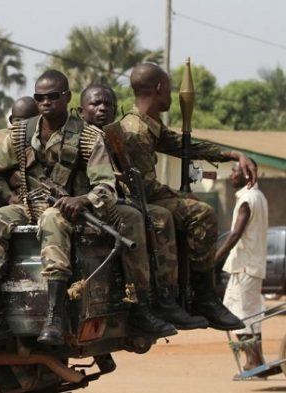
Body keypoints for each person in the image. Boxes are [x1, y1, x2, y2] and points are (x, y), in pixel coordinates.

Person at [0, 71, 175, 348]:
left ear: (67, 97)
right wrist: (9, 196)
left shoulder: (86, 136)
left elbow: (106, 187)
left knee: (53, 218)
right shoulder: (22, 133)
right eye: (40, 97)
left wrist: (82, 200)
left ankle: (54, 316)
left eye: (53, 96)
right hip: (27, 205)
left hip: (71, 211)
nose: (46, 102)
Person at [120, 63, 256, 330]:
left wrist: (231, 155)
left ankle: (199, 295)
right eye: (168, 88)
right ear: (160, 88)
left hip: (145, 199)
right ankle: (200, 296)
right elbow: (143, 188)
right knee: (201, 213)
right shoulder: (135, 131)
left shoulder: (148, 125)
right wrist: (183, 196)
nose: (171, 94)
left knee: (194, 208)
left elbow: (181, 145)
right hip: (137, 203)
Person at [79, 84, 208, 330]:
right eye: (96, 104)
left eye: (108, 104)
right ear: (81, 110)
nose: (103, 108)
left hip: (110, 201)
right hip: (86, 204)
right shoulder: (78, 135)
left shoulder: (115, 135)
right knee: (138, 218)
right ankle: (140, 304)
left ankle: (167, 298)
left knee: (160, 216)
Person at [219, 160, 268, 370]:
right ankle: (257, 359)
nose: (231, 175)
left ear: (247, 174)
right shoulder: (259, 197)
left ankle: (252, 360)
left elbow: (235, 235)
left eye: (235, 171)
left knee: (237, 314)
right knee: (251, 314)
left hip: (244, 266)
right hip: (252, 265)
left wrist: (214, 260)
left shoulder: (247, 200)